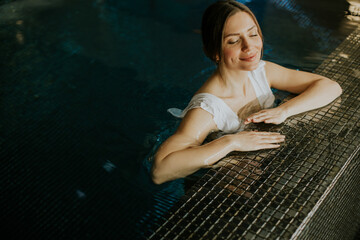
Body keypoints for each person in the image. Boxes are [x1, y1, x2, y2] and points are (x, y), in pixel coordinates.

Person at [151, 0, 342, 185]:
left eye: (252, 34)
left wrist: (283, 111)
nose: (249, 47)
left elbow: (331, 87)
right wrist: (231, 143)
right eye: (233, 41)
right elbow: (160, 172)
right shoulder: (207, 110)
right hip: (220, 183)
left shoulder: (262, 72)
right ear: (215, 52)